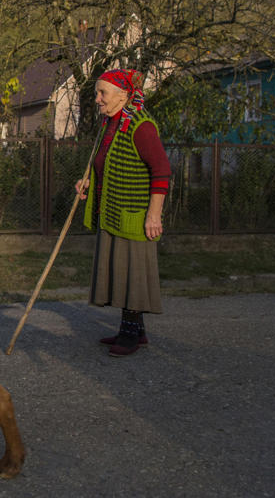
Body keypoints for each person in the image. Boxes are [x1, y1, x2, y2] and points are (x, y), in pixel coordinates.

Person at [75, 69, 171, 357]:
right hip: (112, 212)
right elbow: (107, 164)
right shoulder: (111, 124)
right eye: (97, 93)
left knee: (133, 274)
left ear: (123, 95)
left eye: (102, 93)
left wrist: (154, 215)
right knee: (121, 272)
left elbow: (161, 171)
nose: (97, 99)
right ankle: (135, 331)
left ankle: (130, 334)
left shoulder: (141, 126)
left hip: (134, 214)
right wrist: (88, 182)